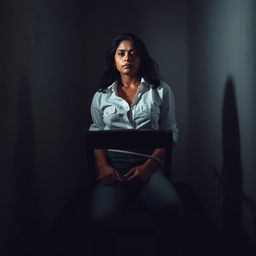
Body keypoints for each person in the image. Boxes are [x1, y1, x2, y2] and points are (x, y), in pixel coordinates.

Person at [87, 33, 182, 256]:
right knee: (100, 218)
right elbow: (96, 135)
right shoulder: (101, 96)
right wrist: (103, 167)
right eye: (121, 53)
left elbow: (170, 133)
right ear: (114, 60)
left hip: (148, 163)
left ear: (141, 59)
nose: (127, 58)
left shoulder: (160, 90)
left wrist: (149, 167)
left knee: (172, 206)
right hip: (114, 167)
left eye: (133, 53)